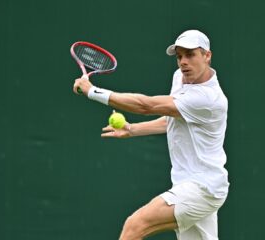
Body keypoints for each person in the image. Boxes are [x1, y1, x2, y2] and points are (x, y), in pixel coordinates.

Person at [73, 29, 229, 240]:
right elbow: (173, 119)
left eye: (190, 54)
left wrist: (92, 91)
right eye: (179, 56)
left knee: (135, 225)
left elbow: (146, 105)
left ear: (207, 56)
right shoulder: (180, 78)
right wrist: (132, 129)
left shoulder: (208, 98)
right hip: (194, 185)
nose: (183, 62)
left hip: (202, 189)